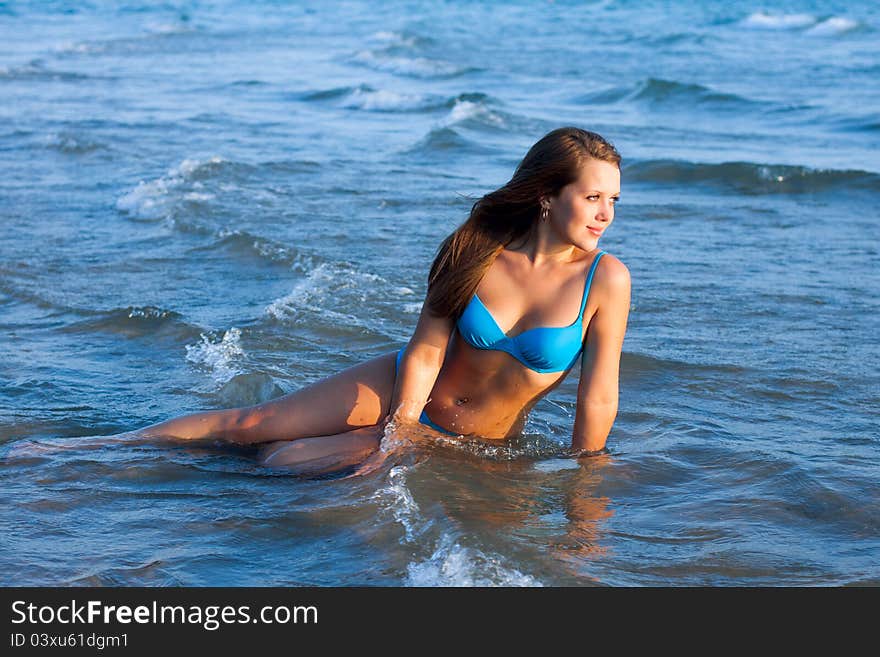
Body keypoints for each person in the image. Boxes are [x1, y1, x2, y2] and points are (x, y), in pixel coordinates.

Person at [125, 127, 631, 476]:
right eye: (592, 198)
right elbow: (428, 349)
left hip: (470, 439)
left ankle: (270, 455)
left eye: (613, 200)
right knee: (248, 425)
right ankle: (95, 450)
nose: (605, 214)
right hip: (402, 394)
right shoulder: (476, 248)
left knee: (282, 462)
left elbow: (598, 397)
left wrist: (581, 487)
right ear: (547, 195)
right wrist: (401, 430)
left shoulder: (604, 279)